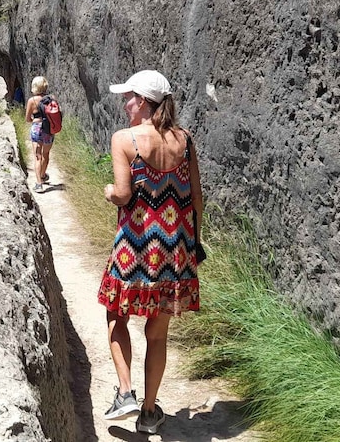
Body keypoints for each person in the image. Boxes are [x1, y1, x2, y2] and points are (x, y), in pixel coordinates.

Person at [98, 69, 203, 435]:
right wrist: (195, 242)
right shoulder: (185, 141)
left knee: (116, 314)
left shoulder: (125, 139)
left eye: (127, 97)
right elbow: (196, 198)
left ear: (142, 101)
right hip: (174, 252)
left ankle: (125, 391)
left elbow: (125, 195)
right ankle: (147, 412)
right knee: (157, 334)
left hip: (135, 247)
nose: (125, 104)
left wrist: (110, 191)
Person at [25, 76, 54, 192]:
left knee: (38, 157)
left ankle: (38, 184)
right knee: (46, 155)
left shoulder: (32, 101)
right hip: (48, 130)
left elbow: (27, 119)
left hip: (37, 128)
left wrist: (34, 120)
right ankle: (42, 176)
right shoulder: (51, 99)